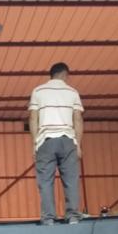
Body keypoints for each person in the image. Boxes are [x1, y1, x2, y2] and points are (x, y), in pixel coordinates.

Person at [28, 62, 85, 225]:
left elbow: (33, 118)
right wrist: (78, 145)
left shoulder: (38, 91)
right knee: (71, 180)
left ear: (51, 75)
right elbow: (77, 119)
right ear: (65, 74)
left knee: (45, 181)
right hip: (67, 140)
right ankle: (73, 216)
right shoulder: (72, 92)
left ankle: (48, 219)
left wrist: (35, 143)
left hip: (46, 141)